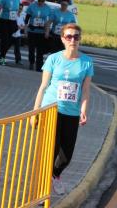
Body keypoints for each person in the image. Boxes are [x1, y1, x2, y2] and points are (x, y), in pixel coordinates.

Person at [32, 23, 94, 195]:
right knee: (50, 150)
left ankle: (55, 175)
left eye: (76, 36)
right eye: (69, 36)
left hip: (72, 113)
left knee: (66, 155)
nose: (72, 40)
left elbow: (86, 90)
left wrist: (83, 110)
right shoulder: (54, 59)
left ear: (80, 39)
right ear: (62, 39)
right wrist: (35, 113)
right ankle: (43, 193)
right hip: (51, 109)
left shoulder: (86, 62)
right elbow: (43, 86)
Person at [0, 0, 21, 65]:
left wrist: (18, 21)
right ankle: (2, 58)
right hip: (4, 21)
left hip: (12, 22)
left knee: (9, 41)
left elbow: (17, 11)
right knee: (4, 40)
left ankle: (2, 55)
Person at [25, 0, 53, 71]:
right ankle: (31, 63)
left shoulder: (48, 8)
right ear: (37, 0)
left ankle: (39, 66)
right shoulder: (32, 6)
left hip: (41, 32)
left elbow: (49, 21)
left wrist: (47, 31)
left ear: (45, 0)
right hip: (32, 31)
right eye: (39, 1)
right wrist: (25, 30)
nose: (41, 2)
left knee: (40, 51)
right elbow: (27, 19)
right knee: (31, 49)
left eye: (42, 1)